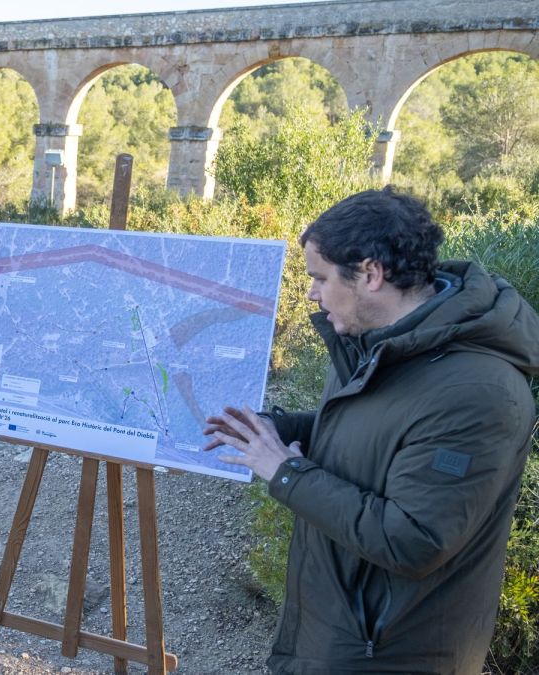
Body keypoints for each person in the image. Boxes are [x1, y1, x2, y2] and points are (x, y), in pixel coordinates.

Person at [203, 187, 539, 674]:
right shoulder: (377, 344)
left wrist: (285, 471)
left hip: (389, 653)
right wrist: (269, 428)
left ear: (369, 274)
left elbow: (413, 539)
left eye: (319, 278)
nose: (311, 294)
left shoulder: (478, 392)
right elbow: (370, 434)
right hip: (335, 636)